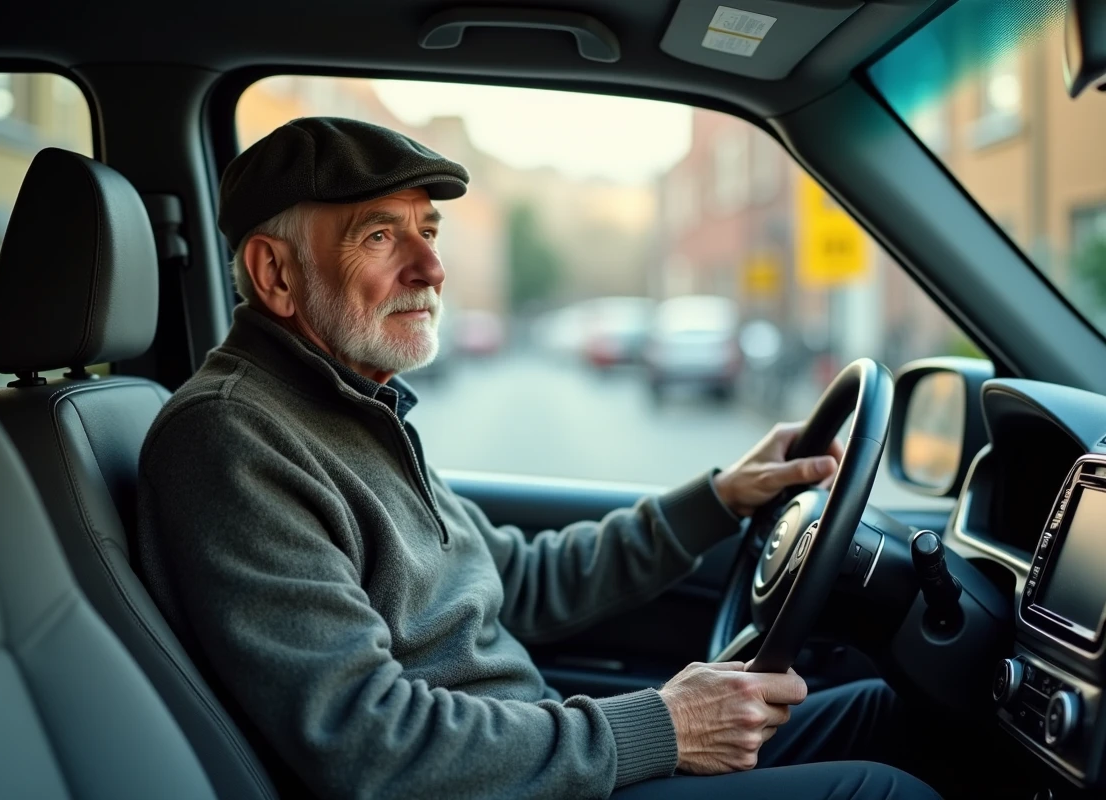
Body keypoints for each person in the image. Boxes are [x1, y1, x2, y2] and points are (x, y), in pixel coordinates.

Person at [135, 117, 941, 800]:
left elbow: (520, 578)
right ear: (274, 274)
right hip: (495, 781)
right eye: (381, 235)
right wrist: (662, 726)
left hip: (531, 750)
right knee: (879, 789)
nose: (432, 268)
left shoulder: (352, 404)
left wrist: (721, 498)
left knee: (885, 710)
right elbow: (364, 740)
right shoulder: (229, 439)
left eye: (429, 230)